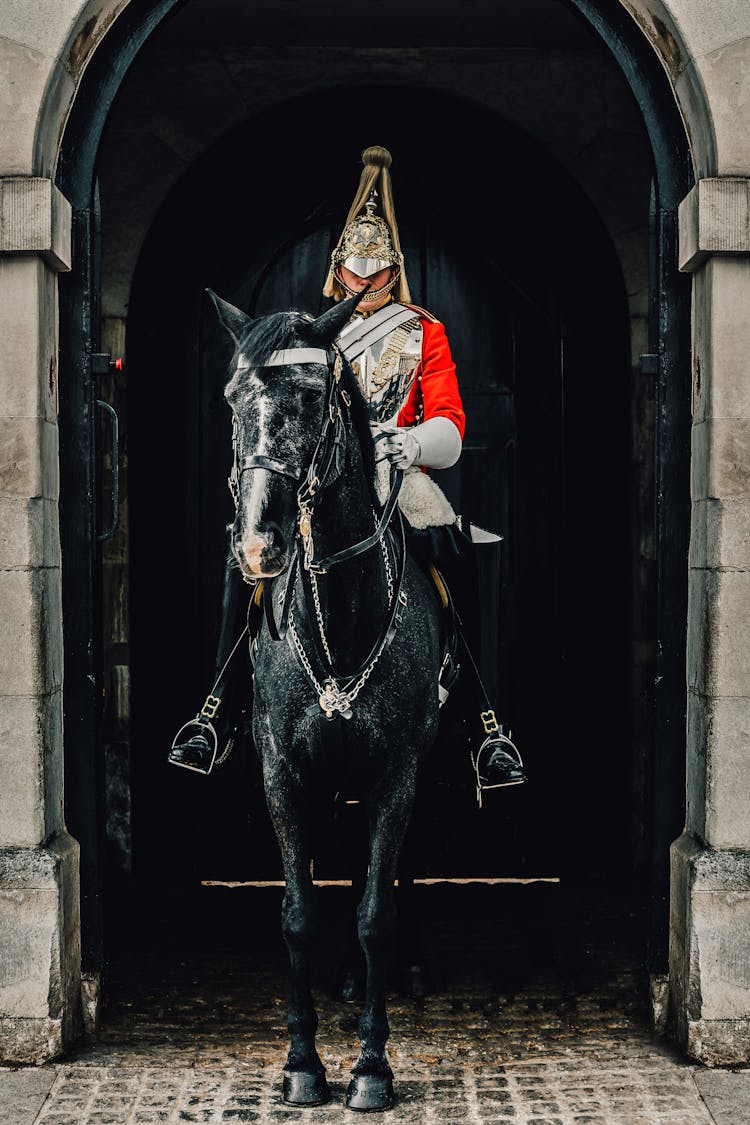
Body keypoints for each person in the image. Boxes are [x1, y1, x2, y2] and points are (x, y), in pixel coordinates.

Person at [168, 145, 526, 796]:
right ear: (338, 271)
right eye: (355, 272)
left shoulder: (425, 333)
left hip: (398, 469)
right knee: (246, 547)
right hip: (317, 479)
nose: (365, 284)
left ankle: (482, 718)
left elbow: (451, 424)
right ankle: (219, 705)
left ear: (394, 272)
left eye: (377, 272)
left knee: (452, 546)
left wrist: (406, 443)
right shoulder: (306, 333)